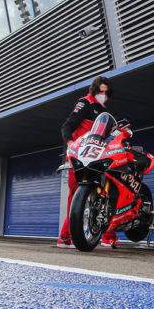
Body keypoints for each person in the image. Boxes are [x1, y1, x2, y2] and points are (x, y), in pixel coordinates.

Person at [57, 75, 118, 248]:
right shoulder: (85, 103)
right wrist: (70, 145)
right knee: (77, 197)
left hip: (97, 159)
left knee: (104, 194)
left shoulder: (103, 111)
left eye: (106, 93)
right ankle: (65, 237)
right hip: (80, 157)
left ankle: (106, 235)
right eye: (100, 91)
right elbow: (67, 126)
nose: (103, 95)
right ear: (94, 90)